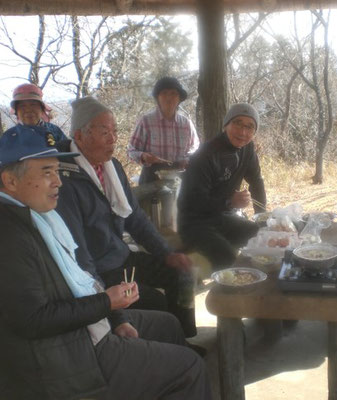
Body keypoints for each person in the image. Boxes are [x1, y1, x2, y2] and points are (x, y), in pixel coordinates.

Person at [0, 125, 211, 400]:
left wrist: (116, 315)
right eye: (46, 172)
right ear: (10, 181)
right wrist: (106, 304)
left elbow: (83, 275)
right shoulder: (10, 235)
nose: (58, 181)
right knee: (190, 368)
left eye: (56, 170)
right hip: (63, 358)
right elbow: (32, 320)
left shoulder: (41, 217)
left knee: (168, 324)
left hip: (84, 324)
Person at [55, 96, 198, 338]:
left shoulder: (112, 168)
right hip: (100, 271)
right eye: (104, 132)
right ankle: (160, 348)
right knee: (155, 304)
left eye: (115, 131)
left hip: (122, 258)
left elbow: (136, 218)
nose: (113, 139)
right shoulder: (65, 182)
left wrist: (167, 253)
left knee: (182, 272)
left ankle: (184, 339)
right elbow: (79, 254)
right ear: (79, 137)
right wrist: (110, 307)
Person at [178, 103, 266, 268]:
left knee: (263, 236)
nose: (242, 132)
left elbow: (256, 180)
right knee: (229, 259)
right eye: (237, 123)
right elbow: (194, 202)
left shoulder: (247, 149)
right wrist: (229, 202)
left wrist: (263, 217)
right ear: (226, 124)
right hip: (195, 223)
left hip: (223, 218)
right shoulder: (205, 155)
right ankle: (233, 290)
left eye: (250, 127)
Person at [128, 77, 200, 184]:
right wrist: (143, 156)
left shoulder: (186, 124)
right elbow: (131, 151)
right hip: (151, 179)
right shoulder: (146, 121)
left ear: (179, 98)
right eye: (164, 93)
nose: (169, 98)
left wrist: (188, 159)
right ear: (158, 97)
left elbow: (196, 149)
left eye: (173, 94)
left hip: (179, 179)